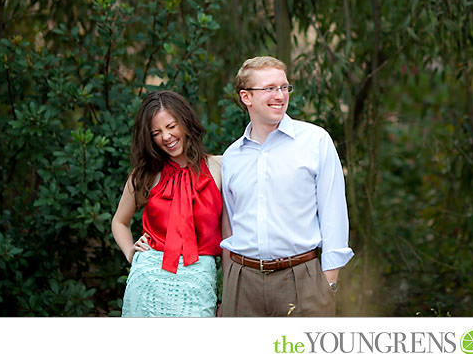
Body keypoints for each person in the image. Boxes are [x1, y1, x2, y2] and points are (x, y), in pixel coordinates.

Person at [219, 56, 354, 316]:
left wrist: (329, 280)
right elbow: (231, 222)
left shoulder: (315, 141)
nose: (280, 95)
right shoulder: (233, 156)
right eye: (269, 88)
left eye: (284, 87)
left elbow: (334, 213)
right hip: (242, 282)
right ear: (246, 97)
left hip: (302, 279)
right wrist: (229, 284)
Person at [111, 90, 223, 317]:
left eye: (171, 126)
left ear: (186, 122)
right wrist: (131, 252)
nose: (166, 136)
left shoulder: (219, 167)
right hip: (148, 276)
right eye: (156, 132)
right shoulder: (144, 175)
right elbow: (119, 222)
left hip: (199, 278)